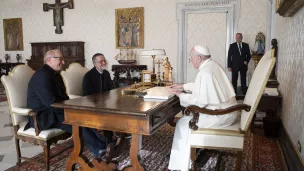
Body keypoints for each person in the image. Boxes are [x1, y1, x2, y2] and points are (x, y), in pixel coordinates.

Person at [26, 49, 113, 158]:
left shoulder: (55, 74)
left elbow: (64, 97)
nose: (63, 62)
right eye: (60, 59)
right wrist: (70, 112)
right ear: (49, 60)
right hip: (43, 116)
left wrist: (74, 110)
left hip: (56, 111)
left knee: (84, 117)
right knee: (77, 121)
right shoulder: (41, 76)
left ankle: (103, 146)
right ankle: (102, 150)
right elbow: (50, 102)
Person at [168, 45, 238, 171]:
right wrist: (182, 86)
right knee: (186, 118)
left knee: (183, 123)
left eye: (191, 58)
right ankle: (190, 153)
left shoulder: (205, 72)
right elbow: (201, 87)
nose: (190, 60)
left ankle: (180, 166)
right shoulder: (212, 65)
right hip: (228, 111)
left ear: (199, 58)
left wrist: (181, 95)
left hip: (221, 115)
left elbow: (199, 103)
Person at [82, 53, 114, 140]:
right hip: (93, 104)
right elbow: (87, 95)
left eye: (104, 60)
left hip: (106, 103)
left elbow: (111, 89)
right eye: (101, 61)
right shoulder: (88, 76)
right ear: (95, 64)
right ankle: (108, 138)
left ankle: (119, 132)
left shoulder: (106, 73)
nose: (104, 63)